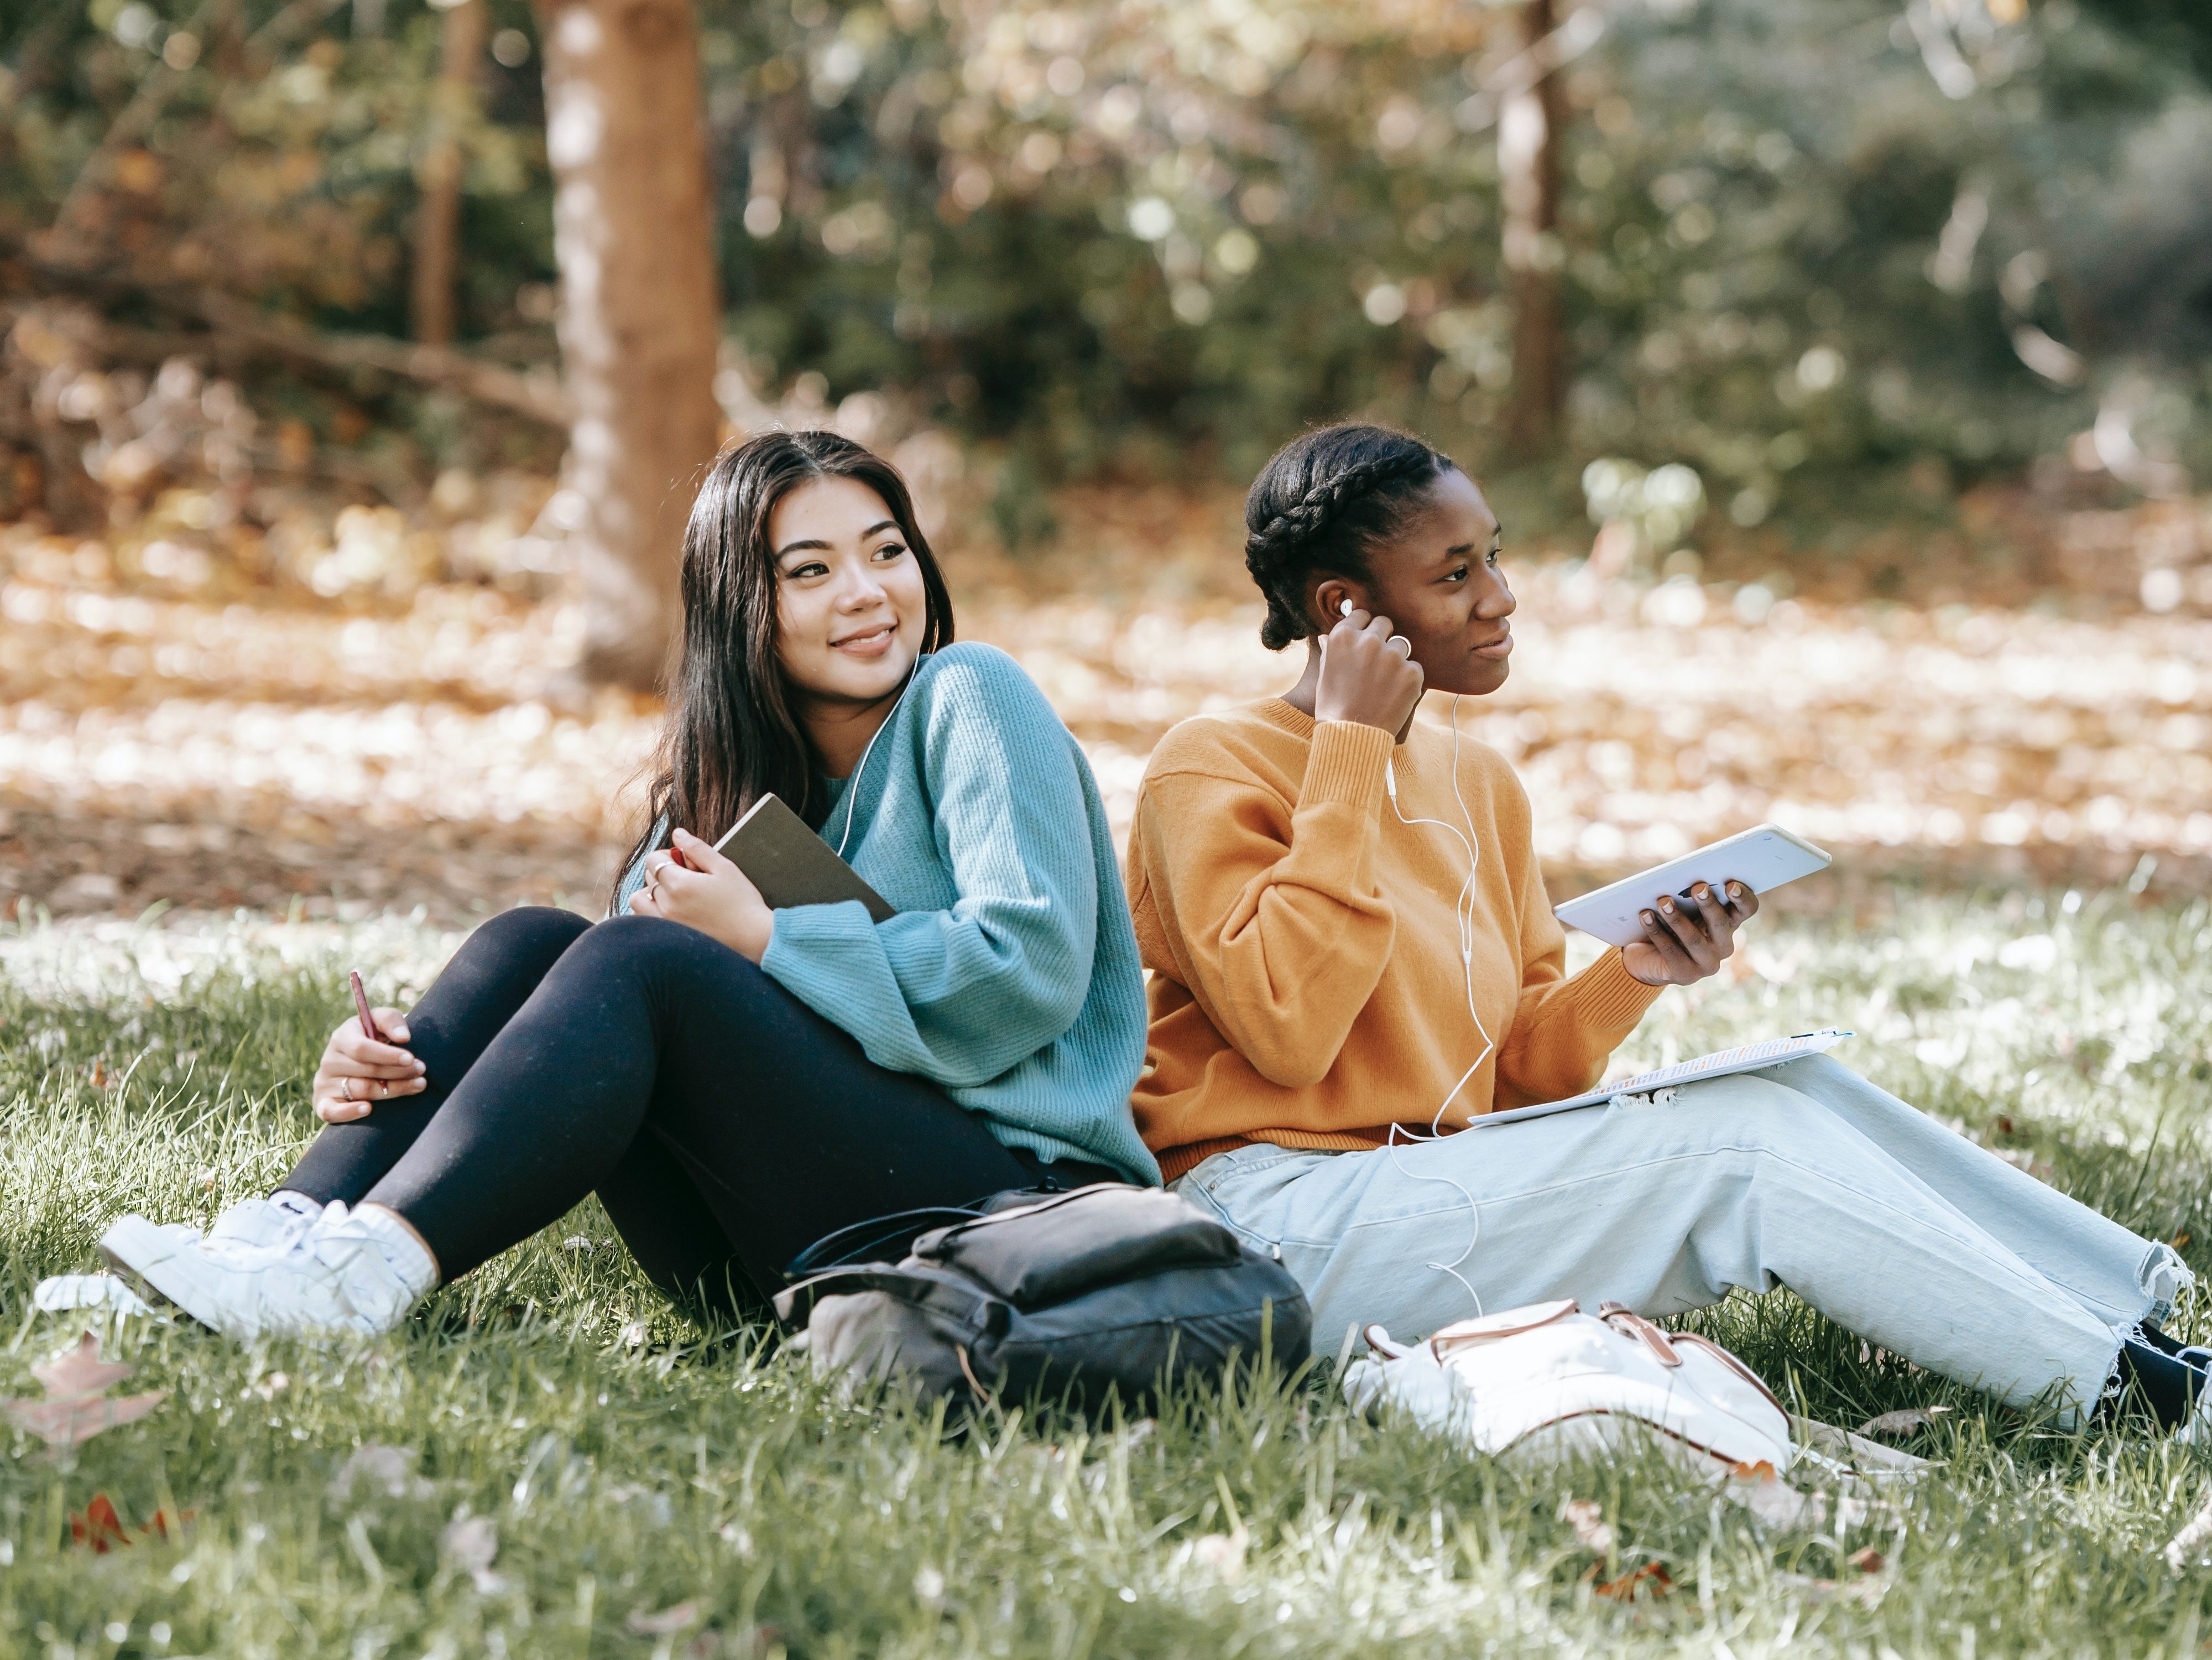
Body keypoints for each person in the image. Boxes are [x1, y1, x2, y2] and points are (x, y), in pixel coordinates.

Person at [1124, 421, 2204, 1433]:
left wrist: (1631, 970)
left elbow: (1517, 1074)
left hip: (1427, 1188)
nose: (1499, 598)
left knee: (1782, 1092)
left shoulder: (1477, 782)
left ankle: (2137, 1326)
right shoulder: (1208, 764)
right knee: (1740, 1147)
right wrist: (1348, 751)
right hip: (1270, 1227)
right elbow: (1288, 1030)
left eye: (1493, 557)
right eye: (1453, 575)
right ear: (1339, 608)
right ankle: (2132, 1395)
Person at [100, 430, 1156, 1339]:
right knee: (532, 941)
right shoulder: (724, 788)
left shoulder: (970, 695)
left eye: (888, 552)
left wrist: (772, 944)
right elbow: (590, 1039)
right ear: (743, 606)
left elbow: (1031, 972)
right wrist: (395, 1080)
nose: (868, 592)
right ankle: (284, 1231)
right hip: (772, 1253)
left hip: (1011, 1211)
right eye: (812, 570)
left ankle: (365, 1273)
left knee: (645, 957)